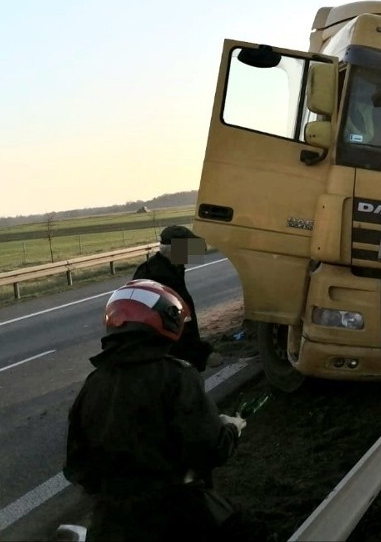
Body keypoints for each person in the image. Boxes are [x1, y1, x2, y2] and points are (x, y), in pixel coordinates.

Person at [64, 279, 265, 541]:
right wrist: (231, 429)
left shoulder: (94, 384)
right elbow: (209, 451)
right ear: (164, 323)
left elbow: (76, 466)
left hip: (111, 522)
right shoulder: (178, 376)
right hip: (177, 517)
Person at [134, 225, 214, 372]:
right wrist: (201, 354)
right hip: (167, 363)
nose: (193, 253)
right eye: (189, 248)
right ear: (175, 250)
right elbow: (173, 327)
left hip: (168, 359)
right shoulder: (160, 277)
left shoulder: (170, 269)